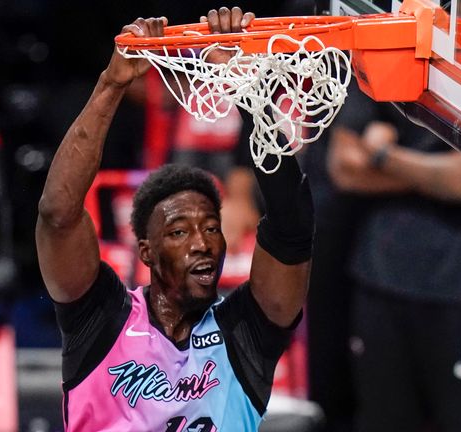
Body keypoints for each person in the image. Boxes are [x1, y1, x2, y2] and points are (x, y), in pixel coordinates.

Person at [35, 7, 314, 431]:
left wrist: (245, 90)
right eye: (179, 232)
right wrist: (112, 85)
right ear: (145, 251)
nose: (202, 243)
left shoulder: (245, 333)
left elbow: (292, 227)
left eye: (210, 228)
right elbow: (58, 216)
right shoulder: (103, 319)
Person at [328, 82, 461, 431]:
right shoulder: (384, 61)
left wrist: (383, 157)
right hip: (381, 278)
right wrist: (441, 176)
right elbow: (344, 167)